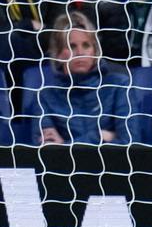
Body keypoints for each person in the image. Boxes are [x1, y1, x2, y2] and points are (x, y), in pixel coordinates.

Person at [34, 11, 130, 145]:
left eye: (86, 45)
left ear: (95, 51)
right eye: (72, 46)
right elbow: (45, 152)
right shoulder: (45, 96)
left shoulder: (119, 86)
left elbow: (129, 143)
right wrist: (100, 136)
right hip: (63, 166)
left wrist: (64, 145)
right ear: (59, 53)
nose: (80, 53)